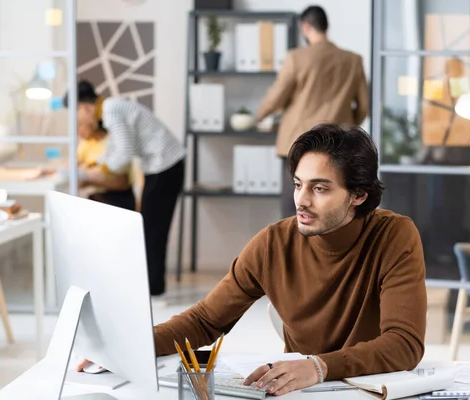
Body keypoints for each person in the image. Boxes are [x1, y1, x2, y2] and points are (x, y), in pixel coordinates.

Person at [78, 124, 427, 396]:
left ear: (358, 195)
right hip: (300, 393)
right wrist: (124, 346)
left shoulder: (394, 236)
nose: (301, 200)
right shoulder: (274, 242)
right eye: (297, 184)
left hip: (371, 390)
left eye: (320, 189)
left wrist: (318, 366)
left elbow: (405, 344)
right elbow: (204, 321)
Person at [64, 80, 186, 297]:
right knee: (150, 226)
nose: (77, 122)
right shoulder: (110, 111)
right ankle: (152, 285)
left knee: (152, 228)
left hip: (165, 165)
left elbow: (124, 153)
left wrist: (91, 173)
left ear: (83, 106)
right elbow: (115, 149)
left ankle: (152, 287)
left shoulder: (111, 110)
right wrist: (94, 167)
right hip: (161, 165)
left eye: (75, 116)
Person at [256, 5, 370, 218]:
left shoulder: (297, 58)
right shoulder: (353, 60)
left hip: (298, 143)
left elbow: (277, 96)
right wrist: (344, 125)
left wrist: (258, 115)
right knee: (334, 206)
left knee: (295, 208)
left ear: (305, 27)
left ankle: (294, 251)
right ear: (326, 27)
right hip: (338, 145)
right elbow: (364, 107)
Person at [76, 122, 135, 211]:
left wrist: (89, 181)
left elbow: (123, 183)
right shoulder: (86, 144)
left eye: (79, 125)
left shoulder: (114, 143)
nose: (77, 131)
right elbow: (75, 164)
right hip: (98, 197)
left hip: (117, 200)